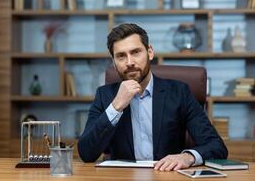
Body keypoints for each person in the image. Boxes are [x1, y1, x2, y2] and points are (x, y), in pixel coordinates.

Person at [78, 23, 228, 171]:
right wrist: (116, 107)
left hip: (167, 176)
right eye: (121, 56)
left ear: (150, 52)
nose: (129, 62)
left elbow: (217, 146)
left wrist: (188, 157)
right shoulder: (105, 96)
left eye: (136, 52)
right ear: (114, 63)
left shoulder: (179, 92)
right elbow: (86, 153)